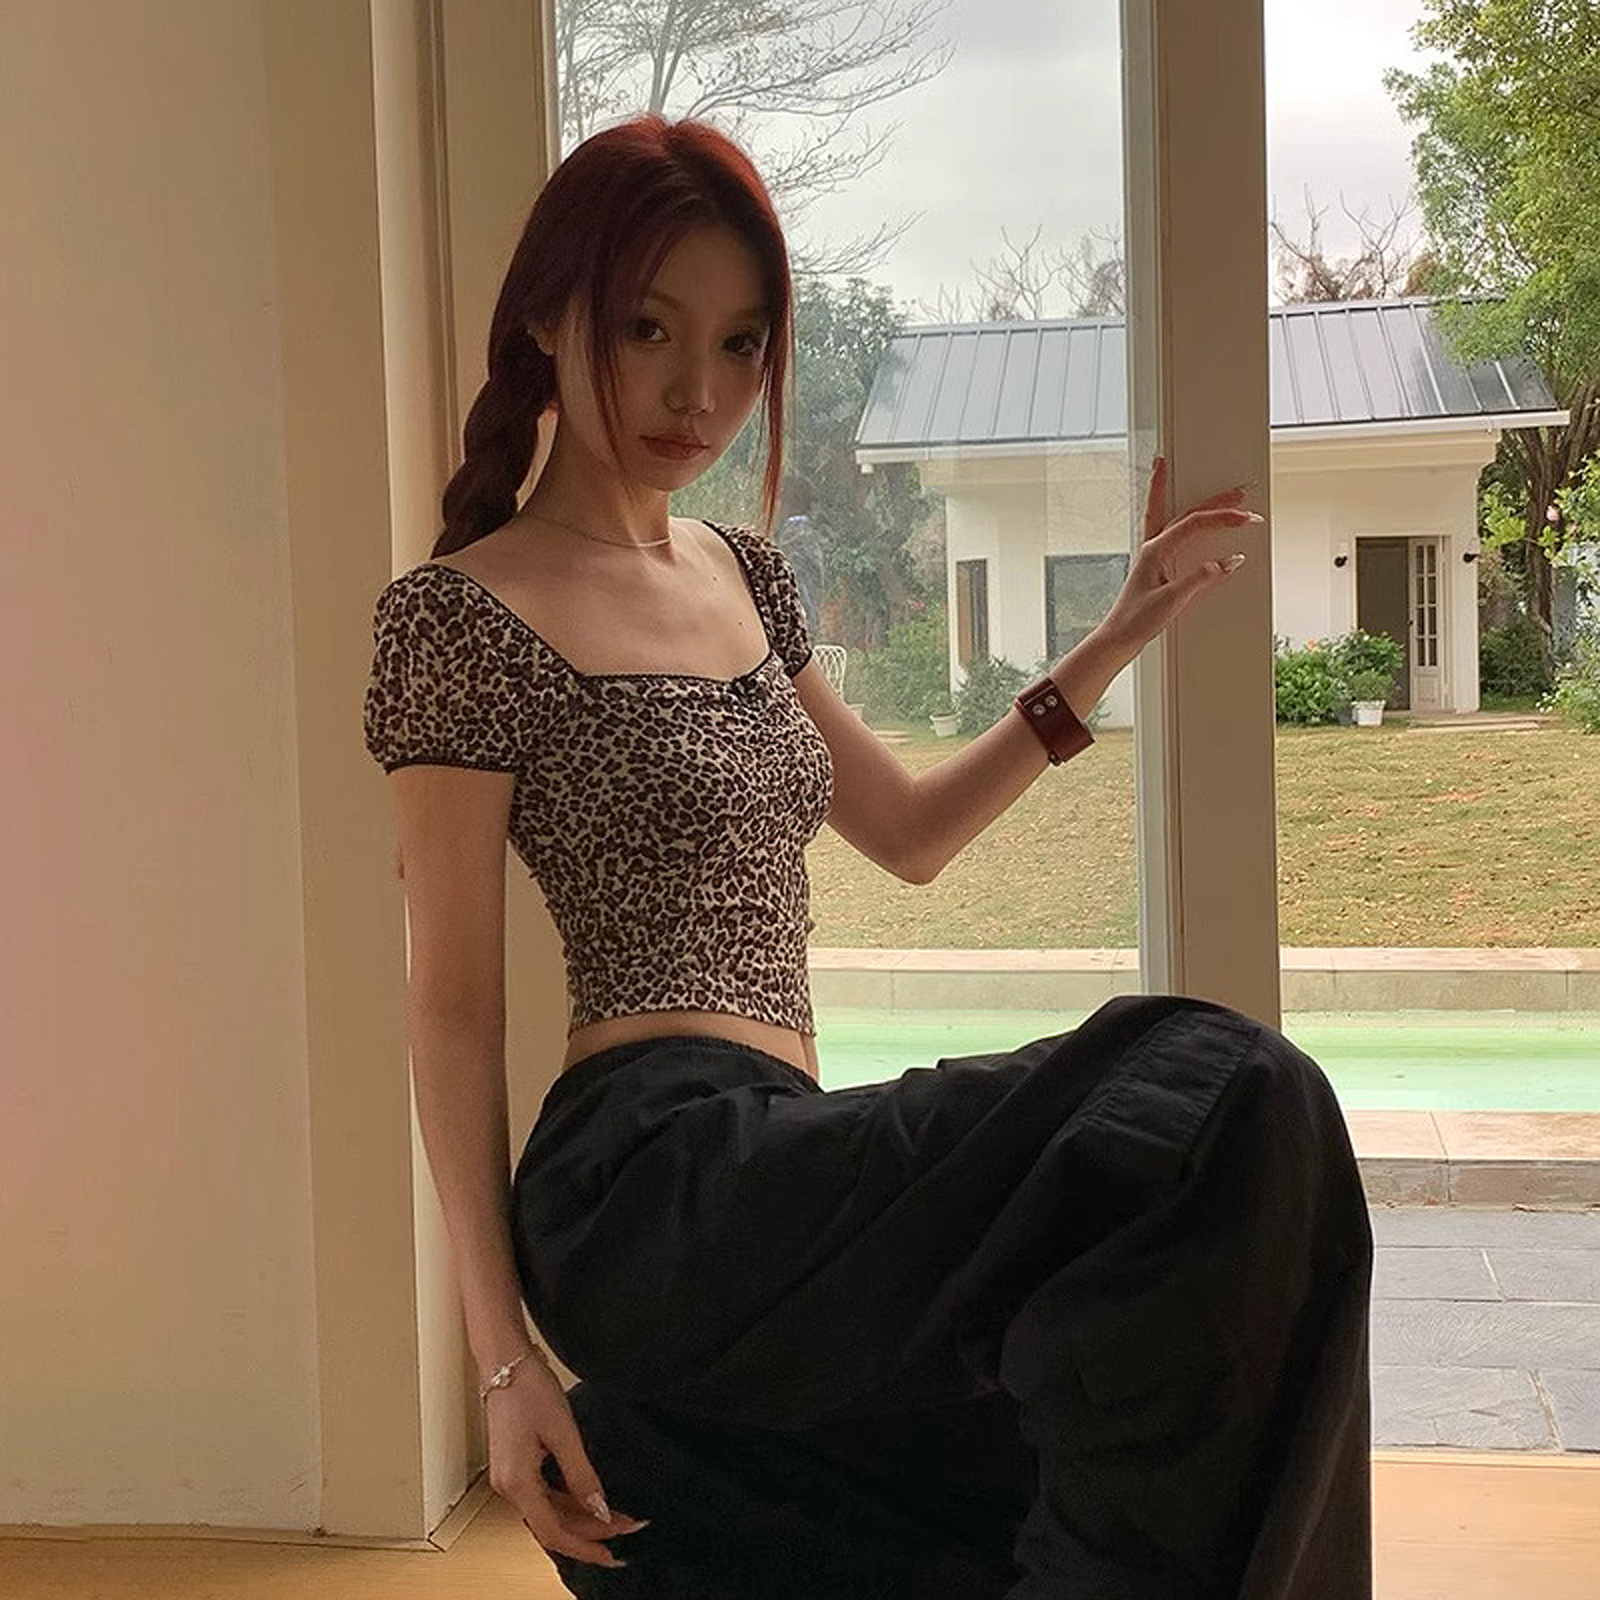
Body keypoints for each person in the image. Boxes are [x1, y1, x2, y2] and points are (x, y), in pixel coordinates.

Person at [363, 112, 1374, 1599]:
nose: (698, 390)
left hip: (778, 1153)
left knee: (1061, 1445)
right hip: (644, 1180)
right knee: (1231, 1093)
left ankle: (684, 1462)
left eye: (740, 344)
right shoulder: (459, 616)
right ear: (544, 318)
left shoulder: (744, 579)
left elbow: (908, 832)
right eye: (646, 329)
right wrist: (502, 1361)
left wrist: (1114, 639)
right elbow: (450, 1008)